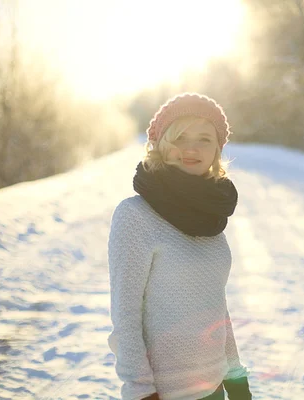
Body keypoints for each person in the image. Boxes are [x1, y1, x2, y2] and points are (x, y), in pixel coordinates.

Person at [108, 93, 252, 400]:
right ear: (161, 144)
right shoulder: (136, 215)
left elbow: (216, 307)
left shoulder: (210, 217)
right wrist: (141, 392)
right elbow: (126, 317)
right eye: (180, 136)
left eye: (204, 138)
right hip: (165, 393)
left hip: (214, 390)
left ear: (217, 150)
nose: (191, 148)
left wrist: (236, 378)